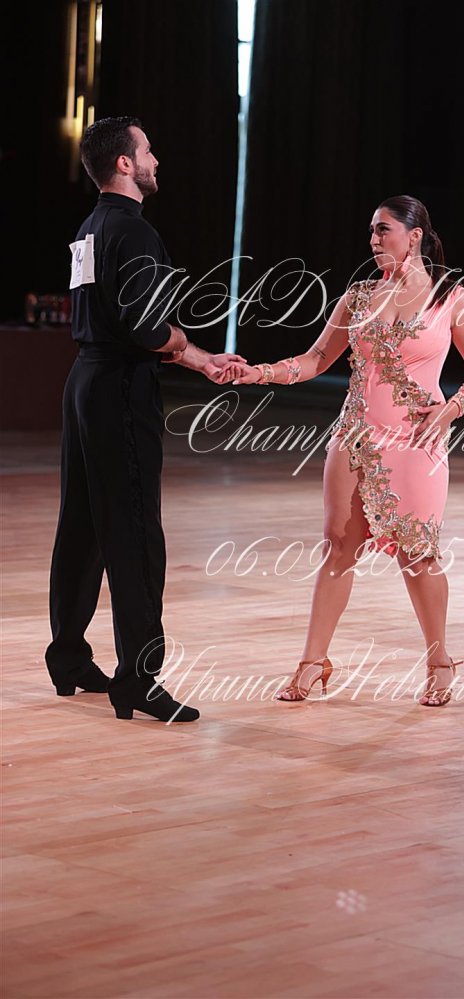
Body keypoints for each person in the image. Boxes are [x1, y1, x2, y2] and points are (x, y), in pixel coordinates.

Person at [211, 195, 464, 707]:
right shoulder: (358, 297)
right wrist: (260, 372)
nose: (373, 239)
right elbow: (317, 358)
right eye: (371, 231)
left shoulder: (452, 298)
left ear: (414, 235)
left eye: (383, 230)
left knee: (418, 554)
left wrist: (452, 409)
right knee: (338, 547)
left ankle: (439, 660)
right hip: (354, 437)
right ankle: (313, 661)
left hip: (417, 441)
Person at [45, 116, 244, 723]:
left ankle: (69, 658)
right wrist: (192, 350)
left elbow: (113, 318)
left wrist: (196, 357)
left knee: (82, 523)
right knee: (134, 533)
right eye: (148, 151)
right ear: (126, 164)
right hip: (119, 391)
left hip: (84, 382)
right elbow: (147, 329)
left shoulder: (90, 227)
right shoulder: (134, 231)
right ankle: (138, 679)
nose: (156, 160)